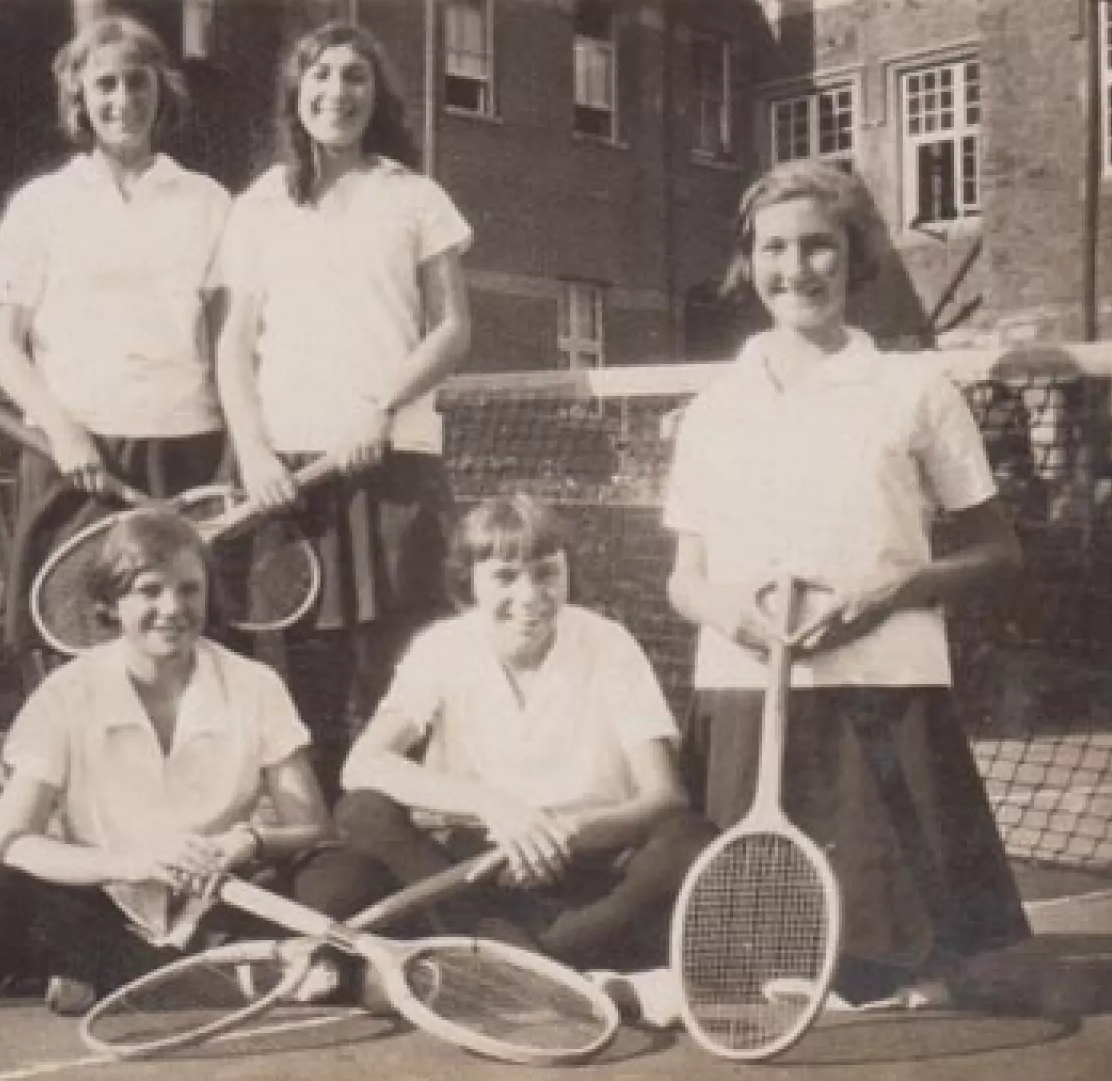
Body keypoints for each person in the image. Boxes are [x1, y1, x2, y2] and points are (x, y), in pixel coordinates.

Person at [663, 159, 1030, 1011]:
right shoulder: (715, 406)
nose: (797, 268)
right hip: (745, 690)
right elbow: (686, 577)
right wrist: (727, 611)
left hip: (888, 688)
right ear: (748, 260)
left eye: (819, 247)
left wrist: (897, 586)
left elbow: (997, 552)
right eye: (775, 248)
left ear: (855, 256)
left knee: (913, 982)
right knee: (750, 976)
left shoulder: (916, 388)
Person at [0, 507, 335, 1014]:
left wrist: (243, 841)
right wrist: (133, 863)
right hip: (105, 905)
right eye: (150, 590)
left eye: (189, 589)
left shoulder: (256, 684)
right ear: (112, 602)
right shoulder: (64, 693)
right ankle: (220, 980)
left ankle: (113, 976)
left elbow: (312, 826)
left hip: (223, 901)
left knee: (348, 876)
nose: (172, 608)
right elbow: (10, 843)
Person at [214, 21, 473, 796]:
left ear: (376, 94)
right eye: (321, 75)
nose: (338, 92)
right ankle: (314, 862)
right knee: (301, 691)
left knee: (407, 671)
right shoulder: (259, 204)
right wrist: (256, 454)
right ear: (297, 92)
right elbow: (234, 344)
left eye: (355, 76)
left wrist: (378, 411)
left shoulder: (415, 195)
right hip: (286, 477)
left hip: (394, 464)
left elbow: (454, 328)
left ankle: (415, 850)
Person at [307, 495, 716, 976]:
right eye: (504, 577)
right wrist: (495, 806)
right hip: (468, 868)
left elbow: (664, 796)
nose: (529, 597)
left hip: (584, 858)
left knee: (688, 841)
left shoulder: (610, 643)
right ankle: (540, 956)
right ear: (469, 583)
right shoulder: (442, 646)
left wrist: (560, 835)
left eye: (546, 573)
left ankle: (504, 956)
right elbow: (364, 764)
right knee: (362, 813)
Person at [0, 14, 231, 651]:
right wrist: (62, 429)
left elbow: (230, 343)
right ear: (79, 100)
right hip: (75, 462)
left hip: (185, 456)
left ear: (161, 90)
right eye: (105, 85)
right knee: (81, 664)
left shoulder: (209, 202)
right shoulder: (42, 203)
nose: (122, 101)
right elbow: (2, 348)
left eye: (137, 83)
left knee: (184, 659)